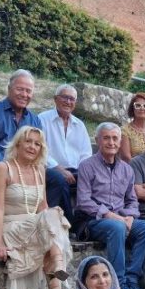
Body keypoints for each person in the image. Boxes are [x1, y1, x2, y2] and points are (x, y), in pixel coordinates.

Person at [0, 126, 72, 289]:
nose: (32, 147)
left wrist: (51, 223)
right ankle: (57, 283)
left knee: (53, 214)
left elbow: (43, 206)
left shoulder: (39, 170)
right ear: (18, 143)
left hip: (33, 224)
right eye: (28, 141)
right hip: (9, 225)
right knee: (53, 221)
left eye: (37, 144)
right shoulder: (3, 168)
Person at [0, 70, 71, 224]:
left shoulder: (34, 120)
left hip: (26, 171)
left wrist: (28, 172)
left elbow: (39, 151)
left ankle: (39, 221)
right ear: (9, 89)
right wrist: (12, 170)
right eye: (20, 89)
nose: (24, 94)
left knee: (56, 178)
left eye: (28, 91)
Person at [74, 123, 145, 289]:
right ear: (97, 141)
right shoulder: (87, 166)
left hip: (120, 217)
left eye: (115, 138)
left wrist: (130, 217)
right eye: (106, 138)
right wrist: (110, 215)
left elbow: (132, 199)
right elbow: (84, 201)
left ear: (120, 142)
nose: (111, 142)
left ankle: (132, 279)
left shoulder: (126, 169)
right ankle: (118, 283)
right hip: (92, 221)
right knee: (117, 227)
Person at [38, 84, 93, 228]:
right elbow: (40, 150)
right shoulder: (42, 119)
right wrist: (59, 168)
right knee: (60, 179)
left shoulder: (79, 125)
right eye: (65, 97)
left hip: (75, 170)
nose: (68, 102)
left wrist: (83, 172)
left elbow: (86, 153)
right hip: (49, 168)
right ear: (56, 99)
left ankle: (90, 222)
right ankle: (70, 222)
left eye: (72, 99)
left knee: (95, 179)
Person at [120, 92, 145, 162]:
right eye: (138, 105)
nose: (142, 108)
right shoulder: (125, 131)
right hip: (132, 170)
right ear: (133, 109)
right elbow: (126, 157)